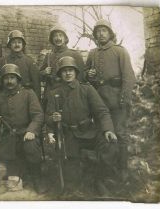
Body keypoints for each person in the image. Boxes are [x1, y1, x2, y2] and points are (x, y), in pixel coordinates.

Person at [46, 56, 119, 195]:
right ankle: (76, 186)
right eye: (64, 71)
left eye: (71, 70)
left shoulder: (87, 89)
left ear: (76, 72)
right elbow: (47, 117)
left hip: (88, 131)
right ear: (60, 74)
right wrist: (53, 119)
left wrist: (108, 130)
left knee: (110, 146)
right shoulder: (54, 93)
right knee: (72, 175)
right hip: (68, 135)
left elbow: (102, 111)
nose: (68, 73)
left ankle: (99, 179)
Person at [85, 19, 136, 181]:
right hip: (99, 101)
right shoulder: (92, 53)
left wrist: (124, 99)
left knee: (120, 133)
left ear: (110, 33)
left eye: (104, 31)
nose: (100, 34)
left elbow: (129, 77)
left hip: (116, 99)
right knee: (103, 134)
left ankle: (122, 168)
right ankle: (106, 170)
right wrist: (88, 74)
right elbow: (86, 74)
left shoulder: (120, 51)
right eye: (97, 31)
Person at [0, 63, 46, 194]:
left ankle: (36, 178)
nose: (9, 81)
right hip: (9, 135)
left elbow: (38, 115)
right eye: (6, 78)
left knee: (31, 147)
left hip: (27, 132)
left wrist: (31, 130)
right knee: (12, 172)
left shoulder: (28, 93)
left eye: (12, 78)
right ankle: (16, 173)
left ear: (18, 79)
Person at [40, 25, 85, 107]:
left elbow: (81, 78)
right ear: (52, 39)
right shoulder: (49, 56)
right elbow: (40, 76)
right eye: (55, 36)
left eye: (61, 35)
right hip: (51, 93)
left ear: (65, 38)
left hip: (69, 94)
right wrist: (44, 72)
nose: (58, 38)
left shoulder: (75, 55)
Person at [0, 30, 40, 98]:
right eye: (14, 42)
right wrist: (4, 80)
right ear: (9, 45)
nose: (17, 45)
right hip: (6, 97)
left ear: (23, 45)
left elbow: (36, 84)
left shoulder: (29, 61)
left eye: (19, 42)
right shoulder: (2, 61)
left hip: (24, 98)